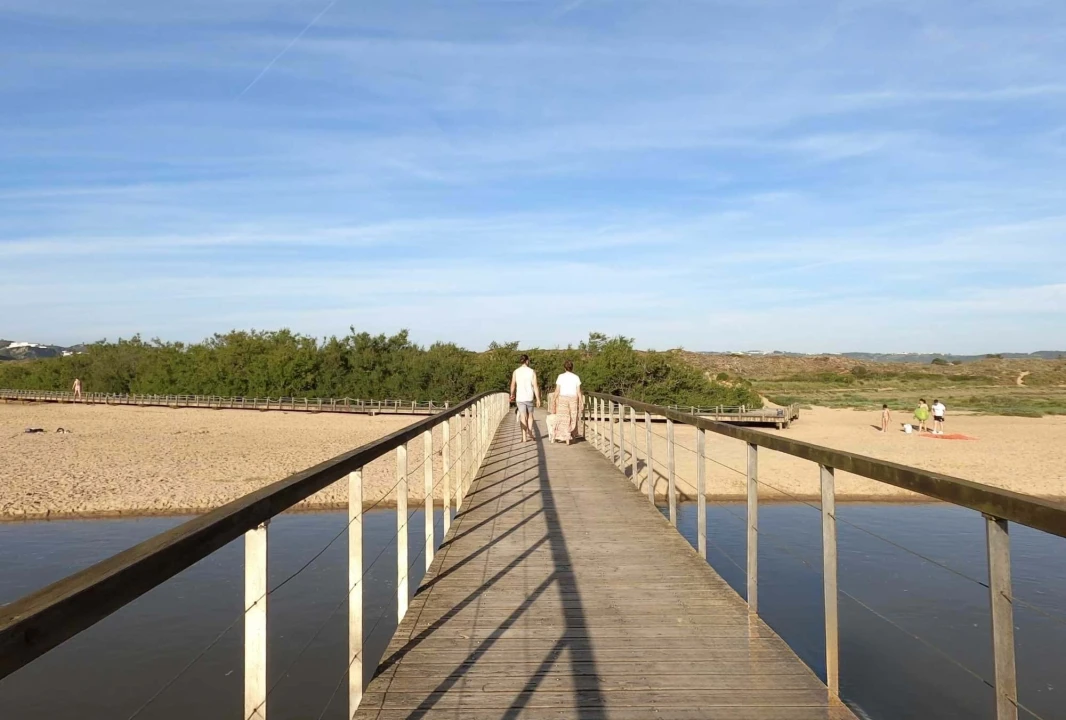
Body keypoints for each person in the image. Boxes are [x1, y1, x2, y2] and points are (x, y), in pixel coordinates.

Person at [509, 354, 540, 443]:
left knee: (523, 416)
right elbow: (535, 386)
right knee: (530, 416)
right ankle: (530, 431)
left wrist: (512, 394)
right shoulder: (532, 371)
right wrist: (538, 398)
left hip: (520, 397)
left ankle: (524, 437)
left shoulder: (516, 372)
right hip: (529, 397)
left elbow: (513, 384)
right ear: (527, 361)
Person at [552, 360, 582, 445]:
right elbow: (578, 391)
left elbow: (557, 390)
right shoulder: (576, 377)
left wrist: (554, 399)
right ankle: (572, 434)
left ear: (564, 368)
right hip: (573, 398)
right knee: (573, 417)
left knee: (564, 418)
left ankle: (566, 437)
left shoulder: (560, 376)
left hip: (563, 398)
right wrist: (581, 402)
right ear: (572, 368)